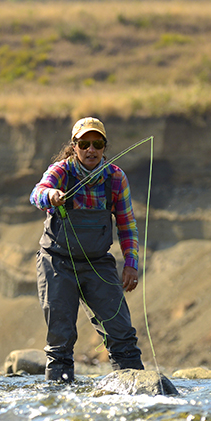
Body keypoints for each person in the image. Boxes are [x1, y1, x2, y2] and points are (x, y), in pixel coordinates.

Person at [28, 116, 144, 382]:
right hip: (56, 263)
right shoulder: (60, 171)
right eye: (84, 144)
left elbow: (127, 224)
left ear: (104, 146)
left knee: (122, 334)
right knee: (60, 340)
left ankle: (138, 397)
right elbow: (37, 192)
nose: (91, 149)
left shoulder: (115, 178)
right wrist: (52, 196)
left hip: (98, 262)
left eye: (97, 143)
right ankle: (59, 401)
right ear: (74, 145)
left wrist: (130, 264)